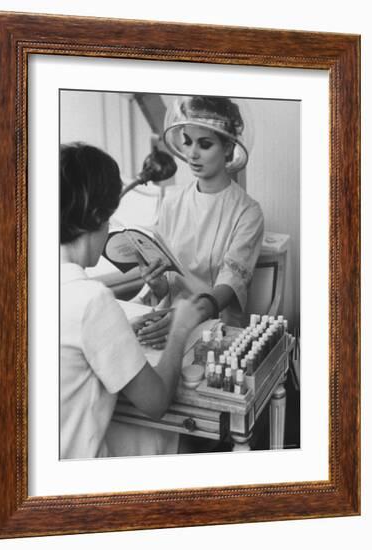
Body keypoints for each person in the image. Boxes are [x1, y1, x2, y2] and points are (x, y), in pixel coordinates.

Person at [59, 142, 204, 459]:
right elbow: (156, 402)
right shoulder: (91, 300)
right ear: (99, 216)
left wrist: (123, 325)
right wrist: (180, 329)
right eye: (109, 216)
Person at [136, 95, 264, 348]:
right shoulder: (172, 202)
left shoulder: (248, 212)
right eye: (187, 142)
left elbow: (230, 284)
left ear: (228, 147)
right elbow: (168, 283)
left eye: (205, 144)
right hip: (168, 322)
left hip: (216, 329)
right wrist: (157, 283)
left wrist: (186, 318)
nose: (192, 153)